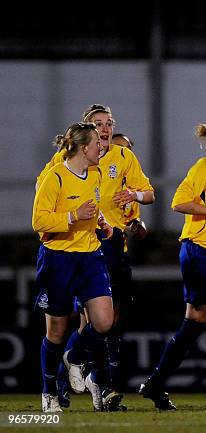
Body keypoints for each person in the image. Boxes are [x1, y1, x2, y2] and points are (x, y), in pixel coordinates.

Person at [55, 105, 155, 411]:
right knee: (93, 321)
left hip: (114, 247)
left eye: (109, 123)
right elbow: (48, 189)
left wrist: (134, 198)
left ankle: (96, 384)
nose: (106, 128)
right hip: (84, 245)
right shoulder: (71, 161)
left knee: (109, 323)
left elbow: (148, 193)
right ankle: (83, 383)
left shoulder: (123, 157)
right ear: (87, 132)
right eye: (99, 124)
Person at [139, 119, 206, 410]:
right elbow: (179, 202)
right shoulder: (204, 168)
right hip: (199, 251)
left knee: (194, 323)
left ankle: (155, 384)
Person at [33, 122, 121, 412]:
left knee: (105, 322)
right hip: (58, 259)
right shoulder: (54, 177)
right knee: (56, 331)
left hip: (90, 256)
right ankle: (49, 394)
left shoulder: (95, 174)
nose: (102, 146)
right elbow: (39, 221)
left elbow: (92, 209)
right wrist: (72, 215)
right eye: (97, 142)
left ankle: (75, 355)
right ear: (84, 148)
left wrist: (102, 224)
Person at [111, 133, 148, 241]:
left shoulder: (132, 186)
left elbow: (130, 219)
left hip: (118, 247)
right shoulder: (96, 176)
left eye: (128, 149)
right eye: (119, 148)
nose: (125, 152)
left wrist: (137, 225)